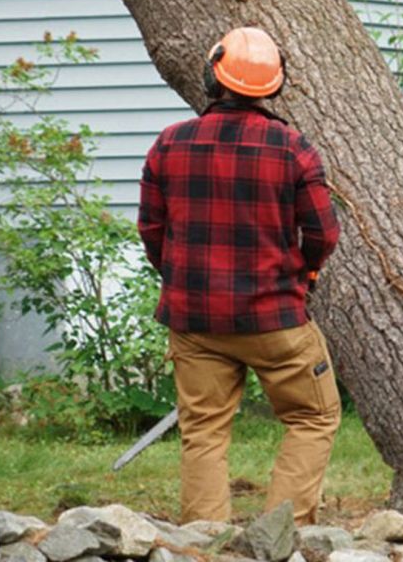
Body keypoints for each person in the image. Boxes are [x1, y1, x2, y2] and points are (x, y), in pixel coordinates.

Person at [137, 26, 341, 526]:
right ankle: (283, 533)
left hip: (195, 320)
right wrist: (305, 275)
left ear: (213, 77)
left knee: (203, 430)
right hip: (275, 318)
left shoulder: (169, 144)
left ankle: (201, 543)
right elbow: (323, 233)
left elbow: (151, 230)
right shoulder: (293, 149)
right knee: (313, 417)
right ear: (275, 85)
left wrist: (183, 279)